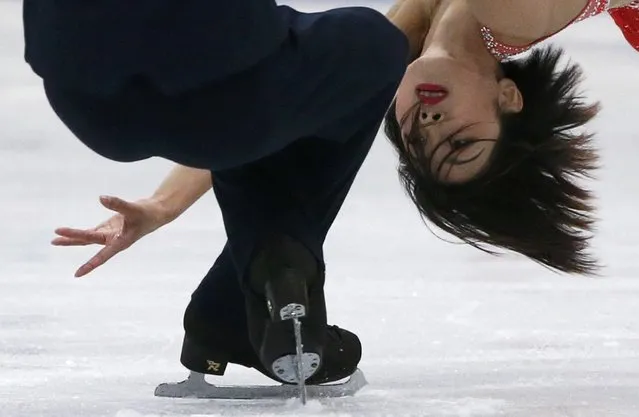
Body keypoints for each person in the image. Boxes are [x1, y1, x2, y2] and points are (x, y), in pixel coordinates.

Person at [26, 0, 410, 385]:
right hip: (222, 87)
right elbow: (224, 123)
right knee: (372, 43)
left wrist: (163, 204)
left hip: (86, 102)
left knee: (274, 77)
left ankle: (234, 306)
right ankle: (243, 298)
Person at [384, 0, 639, 276]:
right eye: (460, 143)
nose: (431, 124)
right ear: (507, 97)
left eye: (418, 142)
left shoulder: (398, 35)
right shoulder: (508, 12)